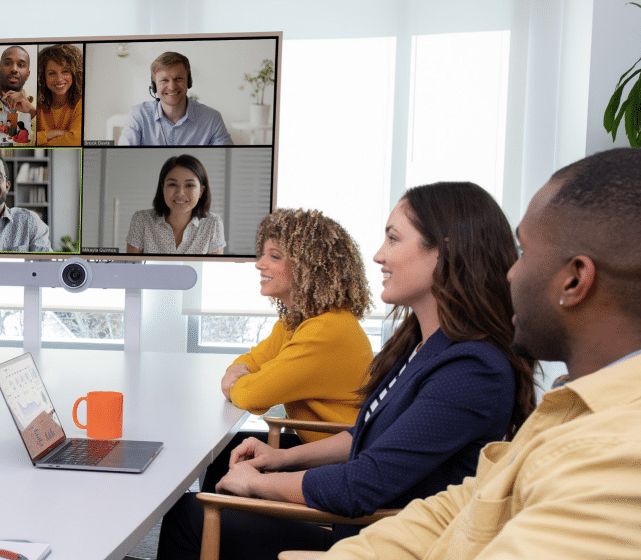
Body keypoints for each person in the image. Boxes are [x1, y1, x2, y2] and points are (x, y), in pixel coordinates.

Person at [158, 181, 537, 560]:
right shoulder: (422, 345)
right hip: (361, 522)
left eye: (393, 239)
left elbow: (362, 484)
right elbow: (370, 434)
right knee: (213, 491)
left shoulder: (472, 370)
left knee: (188, 517)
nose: (378, 256)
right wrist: (280, 459)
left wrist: (260, 484)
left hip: (374, 542)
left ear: (445, 251)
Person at [319, 148, 641, 560]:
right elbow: (457, 511)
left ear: (574, 279)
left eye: (523, 252)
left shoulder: (614, 457)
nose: (509, 272)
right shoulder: (568, 407)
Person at [204, 209, 373, 492]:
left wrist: (240, 382)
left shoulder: (326, 330)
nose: (259, 264)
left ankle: (214, 521)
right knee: (225, 457)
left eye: (274, 256)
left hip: (339, 470)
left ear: (308, 267)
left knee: (206, 486)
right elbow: (251, 360)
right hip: (323, 453)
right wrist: (239, 371)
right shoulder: (297, 321)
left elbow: (253, 395)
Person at [118, 52, 233, 146]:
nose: (172, 87)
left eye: (178, 78)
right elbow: (123, 158)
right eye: (164, 80)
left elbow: (227, 157)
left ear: (189, 82)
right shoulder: (139, 115)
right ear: (154, 86)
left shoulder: (212, 119)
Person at [126, 154, 226, 254]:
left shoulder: (213, 224)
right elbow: (131, 267)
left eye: (189, 185)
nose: (180, 193)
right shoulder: (141, 220)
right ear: (163, 188)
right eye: (172, 184)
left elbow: (215, 268)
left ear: (201, 191)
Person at [35, 44, 83, 147]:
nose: (59, 79)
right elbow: (18, 139)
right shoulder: (35, 104)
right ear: (43, 77)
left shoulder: (81, 103)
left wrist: (39, 142)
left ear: (75, 74)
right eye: (52, 73)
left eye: (65, 72)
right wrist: (49, 134)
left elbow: (75, 140)